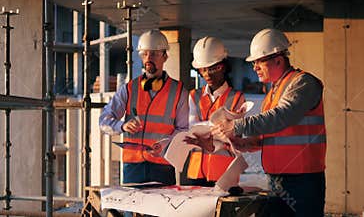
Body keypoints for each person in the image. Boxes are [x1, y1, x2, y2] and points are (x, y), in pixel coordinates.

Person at [212, 28, 326, 217]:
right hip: (278, 180)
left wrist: (237, 125)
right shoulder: (273, 92)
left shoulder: (303, 83)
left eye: (259, 62)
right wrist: (246, 143)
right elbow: (274, 136)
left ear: (278, 60)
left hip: (303, 181)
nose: (254, 67)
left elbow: (282, 116)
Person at [99, 30, 189, 186]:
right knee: (132, 209)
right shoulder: (129, 89)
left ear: (165, 56)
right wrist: (122, 125)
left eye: (154, 54)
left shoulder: (179, 91)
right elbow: (103, 121)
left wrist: (165, 143)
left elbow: (184, 130)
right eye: (144, 54)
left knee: (160, 210)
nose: (148, 59)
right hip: (132, 166)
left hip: (163, 166)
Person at [183, 36, 245, 186]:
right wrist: (217, 130)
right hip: (196, 171)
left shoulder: (236, 98)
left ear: (223, 66)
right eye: (203, 70)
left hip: (224, 172)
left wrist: (207, 133)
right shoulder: (194, 96)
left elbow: (234, 137)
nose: (207, 74)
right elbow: (192, 128)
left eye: (213, 68)